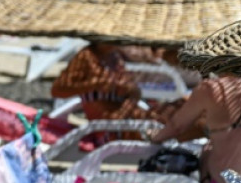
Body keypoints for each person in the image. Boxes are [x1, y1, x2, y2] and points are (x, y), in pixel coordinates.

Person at [51, 44, 203, 141]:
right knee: (195, 120)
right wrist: (95, 84)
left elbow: (133, 93)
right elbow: (58, 90)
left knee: (190, 107)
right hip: (116, 126)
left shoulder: (114, 56)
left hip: (130, 116)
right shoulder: (87, 56)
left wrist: (129, 90)